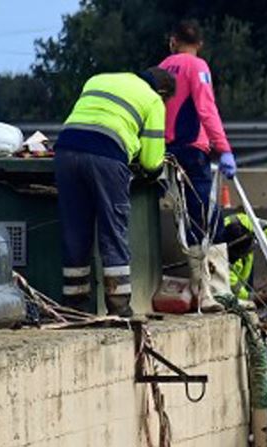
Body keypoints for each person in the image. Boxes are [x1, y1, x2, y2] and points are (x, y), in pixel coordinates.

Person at [54, 68, 174, 316]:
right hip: (107, 156)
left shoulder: (97, 79)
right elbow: (152, 162)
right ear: (162, 93)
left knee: (75, 227)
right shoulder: (152, 100)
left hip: (65, 151)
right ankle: (118, 305)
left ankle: (74, 304)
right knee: (113, 228)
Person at [157, 20, 235, 245]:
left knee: (178, 216)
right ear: (199, 43)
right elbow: (206, 109)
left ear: (173, 41)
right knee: (205, 219)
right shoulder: (197, 66)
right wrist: (223, 149)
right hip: (192, 149)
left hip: (162, 151)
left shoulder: (161, 67)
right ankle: (213, 275)